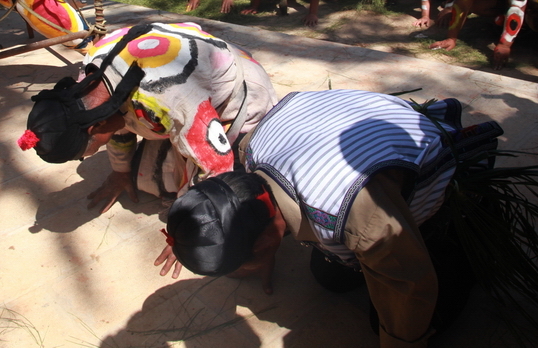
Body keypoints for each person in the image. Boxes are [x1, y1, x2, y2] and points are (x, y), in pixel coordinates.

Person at [161, 89, 504, 348]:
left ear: (265, 241)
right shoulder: (251, 150)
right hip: (358, 123)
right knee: (330, 276)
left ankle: (464, 250)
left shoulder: (361, 217)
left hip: (433, 172)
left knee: (391, 319)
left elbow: (409, 283)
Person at [18, 22, 277, 210]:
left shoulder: (167, 96)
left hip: (243, 90)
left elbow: (218, 166)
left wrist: (191, 220)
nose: (93, 152)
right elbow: (114, 123)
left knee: (221, 193)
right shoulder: (90, 78)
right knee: (151, 180)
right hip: (188, 84)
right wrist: (120, 172)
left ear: (94, 128)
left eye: (93, 147)